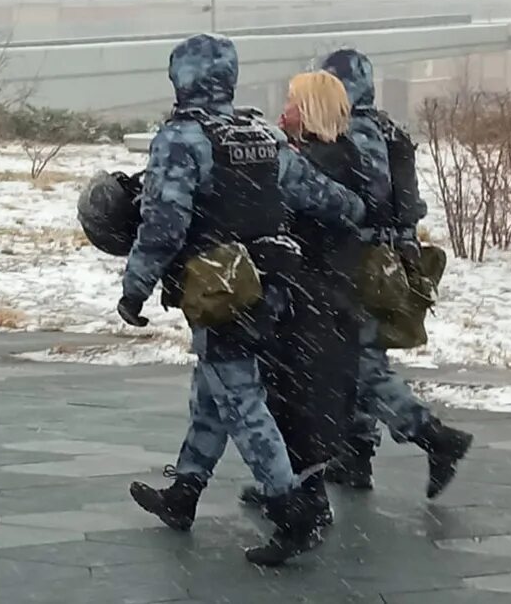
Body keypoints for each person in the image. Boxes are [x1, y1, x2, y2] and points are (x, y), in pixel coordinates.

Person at [119, 34, 367, 567]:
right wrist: (358, 213)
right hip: (270, 284)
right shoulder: (259, 133)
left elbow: (164, 224)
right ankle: (183, 493)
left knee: (241, 401)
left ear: (180, 77)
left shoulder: (182, 138)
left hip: (219, 286)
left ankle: (290, 509)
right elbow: (326, 198)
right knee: (213, 393)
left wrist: (134, 287)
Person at [319, 48, 473, 499]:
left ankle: (434, 436)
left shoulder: (356, 131)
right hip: (386, 258)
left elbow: (367, 197)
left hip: (363, 260)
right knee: (360, 358)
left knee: (362, 363)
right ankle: (356, 455)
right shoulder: (388, 127)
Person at [239, 71, 369, 527]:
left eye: (291, 102)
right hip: (320, 293)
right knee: (297, 394)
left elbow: (305, 207)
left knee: (303, 397)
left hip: (317, 296)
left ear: (310, 109)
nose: (284, 109)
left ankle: (308, 500)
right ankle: (293, 486)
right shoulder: (329, 154)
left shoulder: (326, 159)